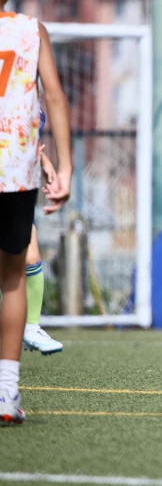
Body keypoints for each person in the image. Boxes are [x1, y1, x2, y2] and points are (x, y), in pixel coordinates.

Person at [0, 0, 72, 424]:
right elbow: (56, 97)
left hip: (20, 169)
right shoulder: (31, 30)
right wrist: (64, 167)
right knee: (11, 279)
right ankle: (6, 395)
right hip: (13, 171)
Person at [23, 112, 63, 356]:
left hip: (16, 185)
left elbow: (27, 138)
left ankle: (31, 327)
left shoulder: (29, 100)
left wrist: (45, 161)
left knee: (30, 256)